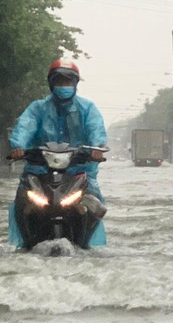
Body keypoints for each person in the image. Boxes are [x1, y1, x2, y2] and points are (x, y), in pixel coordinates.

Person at [7, 59, 109, 247]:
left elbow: (96, 129)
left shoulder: (87, 108)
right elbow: (25, 126)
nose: (64, 86)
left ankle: (86, 242)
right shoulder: (37, 108)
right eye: (59, 82)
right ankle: (26, 243)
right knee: (22, 200)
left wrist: (96, 148)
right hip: (39, 171)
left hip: (78, 171)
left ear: (76, 84)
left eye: (68, 82)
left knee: (95, 205)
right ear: (51, 84)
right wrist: (18, 147)